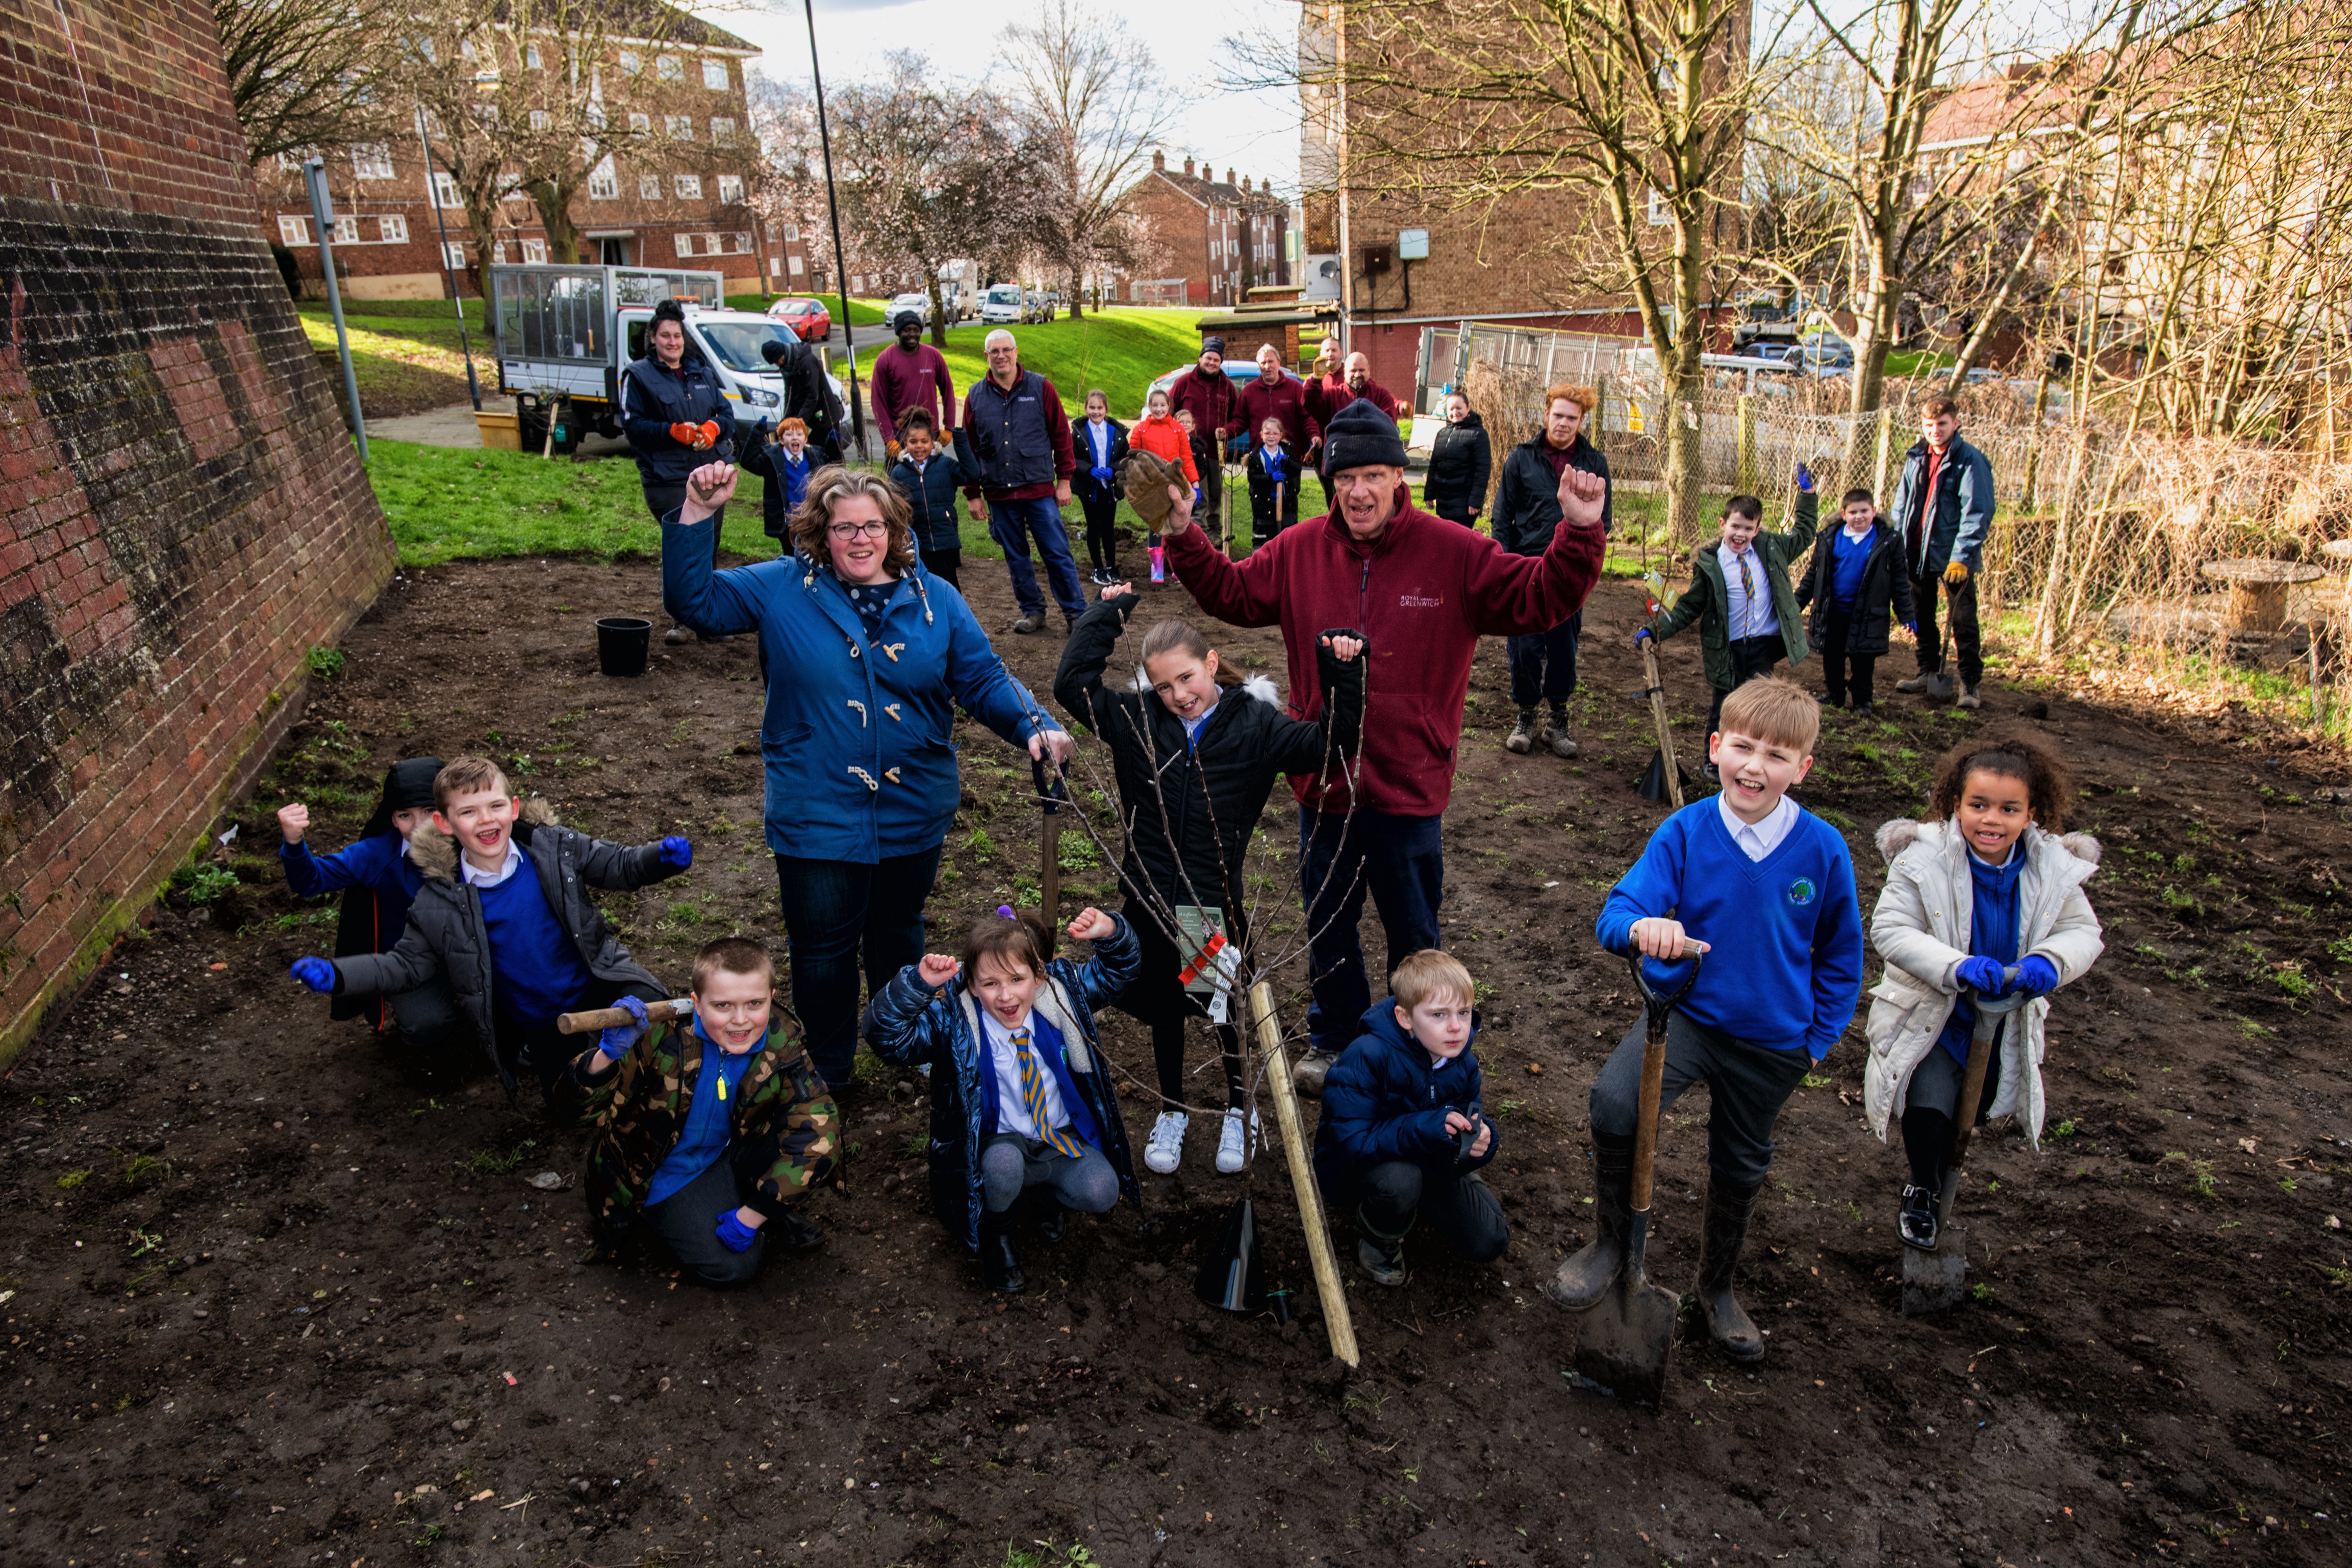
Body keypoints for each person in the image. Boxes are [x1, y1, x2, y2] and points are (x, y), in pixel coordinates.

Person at [1161, 397, 1607, 1089]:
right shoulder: (1299, 550)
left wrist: (1577, 533)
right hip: (1325, 782)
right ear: (1329, 484)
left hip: (1408, 783)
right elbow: (1231, 594)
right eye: (1345, 479)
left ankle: (1418, 1046)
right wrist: (1186, 533)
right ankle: (1335, 1036)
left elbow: (1537, 598)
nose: (1359, 492)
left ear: (1399, 478)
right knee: (1329, 922)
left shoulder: (1452, 552)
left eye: (1373, 475)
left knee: (1412, 929)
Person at [659, 460, 1072, 1096]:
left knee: (898, 929)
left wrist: (1033, 724)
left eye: (872, 526)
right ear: (821, 531)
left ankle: (899, 1044)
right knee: (823, 950)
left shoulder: (935, 598)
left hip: (913, 802)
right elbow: (697, 602)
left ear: (893, 529)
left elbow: (983, 677)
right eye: (844, 526)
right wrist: (696, 512)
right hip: (818, 808)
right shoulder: (782, 587)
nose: (859, 539)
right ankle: (828, 1071)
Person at [1548, 678, 1862, 1362]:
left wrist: (1815, 1041)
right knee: (1613, 1101)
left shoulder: (1821, 848)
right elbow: (1616, 913)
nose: (1755, 767)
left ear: (1801, 769)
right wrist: (1645, 929)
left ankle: (1715, 1288)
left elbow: (1841, 955)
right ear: (1715, 746)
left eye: (1776, 757)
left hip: (1773, 1038)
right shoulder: (1684, 832)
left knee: (1740, 1160)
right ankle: (1610, 1244)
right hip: (1684, 1016)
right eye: (1742, 747)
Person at [1055, 592, 1366, 1176]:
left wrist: (1341, 674)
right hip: (1148, 900)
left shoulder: (1254, 725)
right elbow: (1071, 686)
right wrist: (1107, 617)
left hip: (1206, 906)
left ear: (1213, 661)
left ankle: (1236, 1105)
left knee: (1221, 1007)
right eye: (1163, 685)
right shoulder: (1137, 721)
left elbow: (1331, 744)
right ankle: (1172, 1107)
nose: (1178, 694)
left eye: (1187, 677)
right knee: (1163, 1008)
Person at [287, 757, 691, 1109]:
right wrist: (340, 976)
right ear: (444, 824)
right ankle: (586, 1062)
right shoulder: (439, 901)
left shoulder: (552, 848)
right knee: (570, 1105)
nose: (486, 820)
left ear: (514, 808)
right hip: (543, 1018)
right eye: (469, 813)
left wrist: (659, 859)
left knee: (657, 1026)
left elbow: (618, 865)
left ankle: (671, 1093)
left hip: (598, 982)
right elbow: (405, 965)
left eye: (495, 806)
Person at [1865, 734, 2102, 1251]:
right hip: (1936, 1012)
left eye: (2008, 808)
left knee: (1970, 1111)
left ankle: (1942, 1175)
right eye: (1979, 805)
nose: (1991, 819)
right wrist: (1957, 965)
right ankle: (1923, 1186)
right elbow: (1891, 928)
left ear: (2031, 814)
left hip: (2003, 1016)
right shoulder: (1923, 859)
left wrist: (2049, 961)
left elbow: (2083, 933)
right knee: (1928, 1104)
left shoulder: (2052, 868)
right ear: (1956, 805)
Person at [863, 906, 1143, 1294]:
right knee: (1002, 1165)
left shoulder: (1062, 999)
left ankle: (1046, 1198)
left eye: (1017, 979)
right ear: (972, 986)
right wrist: (919, 984)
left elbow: (1118, 973)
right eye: (990, 983)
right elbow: (886, 1038)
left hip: (1059, 1139)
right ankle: (1000, 1236)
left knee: (1101, 1189)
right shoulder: (955, 1022)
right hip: (1001, 1140)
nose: (1006, 995)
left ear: (1039, 976)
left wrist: (1109, 931)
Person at [559, 937, 838, 1286]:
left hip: (727, 1150)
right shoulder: (657, 1037)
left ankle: (760, 1206)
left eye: (755, 1003)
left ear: (771, 995)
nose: (740, 1021)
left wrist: (755, 1214)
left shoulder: (782, 1039)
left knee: (803, 1141)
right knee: (735, 1267)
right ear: (696, 1003)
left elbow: (820, 1131)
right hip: (661, 1171)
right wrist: (606, 1057)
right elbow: (570, 1112)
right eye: (722, 1006)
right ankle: (655, 1218)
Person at [1313, 950, 1507, 1286]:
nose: (1456, 1027)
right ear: (1405, 1018)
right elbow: (1351, 1143)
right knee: (1400, 1182)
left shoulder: (1463, 1064)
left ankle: (1427, 1198)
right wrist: (1430, 1126)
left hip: (1429, 1161)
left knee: (1489, 1241)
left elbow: (1465, 1121)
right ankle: (1376, 1234)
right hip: (1355, 1171)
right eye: (1438, 1015)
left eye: (1463, 1012)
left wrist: (1478, 1141)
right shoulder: (1367, 1056)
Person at [1638, 475, 1820, 785]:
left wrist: (1808, 495)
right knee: (1723, 703)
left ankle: (1752, 759)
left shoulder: (1772, 549)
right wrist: (1653, 630)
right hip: (1728, 647)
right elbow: (1689, 607)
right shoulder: (1711, 564)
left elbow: (1804, 534)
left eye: (1749, 529)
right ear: (1723, 524)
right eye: (1735, 526)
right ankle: (1714, 761)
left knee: (1758, 704)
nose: (1741, 534)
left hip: (1762, 644)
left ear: (1758, 530)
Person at [275, 756, 452, 1051]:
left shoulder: (470, 841)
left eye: (430, 810)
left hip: (473, 954)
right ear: (393, 818)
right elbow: (311, 881)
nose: (419, 825)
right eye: (405, 815)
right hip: (409, 964)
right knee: (427, 1024)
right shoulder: (376, 855)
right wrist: (294, 843)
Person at [1492, 384, 1611, 758]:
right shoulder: (1521, 458)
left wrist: (1586, 565)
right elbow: (1501, 517)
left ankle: (1557, 720)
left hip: (1569, 573)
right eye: (1557, 415)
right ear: (1545, 414)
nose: (1562, 423)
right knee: (1524, 647)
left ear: (1581, 421)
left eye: (1571, 418)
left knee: (1563, 648)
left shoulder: (1594, 463)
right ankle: (1526, 715)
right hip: (1526, 567)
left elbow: (1601, 521)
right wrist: (1503, 565)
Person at [620, 298, 735, 645]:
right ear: (653, 338)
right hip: (666, 476)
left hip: (709, 471)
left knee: (710, 543)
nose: (673, 342)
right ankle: (683, 619)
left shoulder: (701, 372)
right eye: (666, 336)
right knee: (685, 542)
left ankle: (708, 618)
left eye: (678, 336)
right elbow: (632, 425)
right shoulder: (638, 376)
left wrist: (713, 428)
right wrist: (672, 431)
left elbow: (726, 415)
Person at [956, 329, 1084, 635]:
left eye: (1006, 350)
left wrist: (1064, 479)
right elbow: (968, 449)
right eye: (994, 352)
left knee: (1056, 551)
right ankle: (1033, 611)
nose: (1001, 356)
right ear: (986, 357)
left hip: (1039, 491)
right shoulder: (975, 396)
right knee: (1016, 557)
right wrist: (973, 494)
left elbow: (1062, 437)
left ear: (1016, 353)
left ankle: (1076, 613)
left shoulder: (1041, 388)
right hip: (999, 494)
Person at [1888, 396, 1996, 710]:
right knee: (1919, 615)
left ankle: (1970, 684)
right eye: (1929, 425)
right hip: (1916, 553)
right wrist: (1897, 545)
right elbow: (1901, 504)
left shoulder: (1969, 461)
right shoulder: (1916, 458)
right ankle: (1927, 671)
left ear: (1955, 424)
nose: (1935, 430)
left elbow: (1978, 511)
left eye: (1942, 424)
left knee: (1962, 620)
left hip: (1952, 558)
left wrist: (1962, 556)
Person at [1792, 485, 1915, 716]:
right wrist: (1795, 605)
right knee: (1832, 656)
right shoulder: (1830, 538)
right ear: (1844, 514)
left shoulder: (1888, 541)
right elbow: (1813, 575)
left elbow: (1899, 579)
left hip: (1867, 612)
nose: (1859, 517)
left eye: (1864, 511)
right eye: (1853, 512)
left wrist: (1906, 613)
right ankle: (1835, 695)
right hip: (1833, 610)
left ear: (1874, 511)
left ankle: (1863, 700)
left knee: (1863, 659)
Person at [1304, 349, 1402, 524]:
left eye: (1361, 370)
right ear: (1344, 373)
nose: (1357, 374)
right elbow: (1312, 405)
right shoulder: (1334, 395)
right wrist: (1315, 381)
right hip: (1341, 468)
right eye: (1352, 371)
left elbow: (1387, 429)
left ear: (1369, 371)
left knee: (1377, 515)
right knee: (1340, 514)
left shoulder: (1381, 395)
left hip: (1373, 467)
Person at [1168, 338, 1245, 541]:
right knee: (1195, 493)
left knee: (1215, 493)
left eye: (1216, 360)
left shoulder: (1227, 387)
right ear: (1201, 358)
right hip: (1187, 452)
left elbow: (1238, 418)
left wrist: (1227, 430)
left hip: (1215, 451)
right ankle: (1194, 532)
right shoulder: (1184, 383)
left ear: (1221, 363)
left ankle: (1213, 533)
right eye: (1208, 358)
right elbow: (1168, 413)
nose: (1212, 363)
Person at [887, 409, 973, 588]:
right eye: (913, 442)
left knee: (949, 587)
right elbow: (893, 508)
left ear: (932, 441)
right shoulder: (898, 473)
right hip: (918, 543)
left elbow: (972, 474)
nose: (919, 447)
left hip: (945, 541)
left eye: (924, 441)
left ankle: (954, 616)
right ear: (905, 443)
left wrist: (961, 440)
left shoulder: (945, 464)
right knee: (922, 587)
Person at [1125, 387, 1198, 584]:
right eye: (1154, 405)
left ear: (1169, 406)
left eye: (1162, 405)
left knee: (1179, 526)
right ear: (1149, 407)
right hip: (1153, 486)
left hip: (1176, 484)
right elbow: (1134, 457)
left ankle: (1176, 566)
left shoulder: (1177, 429)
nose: (1159, 409)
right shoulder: (1141, 429)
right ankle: (1157, 566)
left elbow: (1186, 457)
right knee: (1157, 525)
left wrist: (1195, 483)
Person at [869, 310, 956, 462]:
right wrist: (889, 438)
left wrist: (949, 428)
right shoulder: (885, 360)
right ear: (898, 332)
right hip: (900, 437)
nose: (912, 334)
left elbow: (948, 391)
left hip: (930, 434)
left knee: (934, 480)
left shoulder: (933, 356)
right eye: (907, 330)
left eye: (916, 330)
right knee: (898, 484)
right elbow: (878, 403)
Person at [1073, 389, 1130, 584]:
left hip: (1110, 488)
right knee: (1094, 527)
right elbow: (1073, 458)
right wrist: (1089, 470)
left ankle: (1112, 567)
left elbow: (1126, 457)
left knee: (1108, 527)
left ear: (1106, 409)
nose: (1095, 412)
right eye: (1092, 407)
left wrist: (1113, 470)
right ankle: (1098, 568)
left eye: (1099, 408)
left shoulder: (1116, 432)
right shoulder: (1079, 433)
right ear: (1086, 408)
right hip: (1090, 488)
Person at [759, 335, 844, 464]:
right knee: (815, 459)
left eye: (777, 360)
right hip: (810, 420)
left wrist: (798, 422)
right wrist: (786, 420)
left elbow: (812, 396)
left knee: (831, 456)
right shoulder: (788, 367)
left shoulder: (807, 362)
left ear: (782, 354)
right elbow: (790, 395)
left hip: (825, 418)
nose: (777, 364)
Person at [736, 416, 815, 546]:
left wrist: (834, 441)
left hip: (811, 518)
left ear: (805, 439)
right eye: (789, 435)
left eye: (799, 434)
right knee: (792, 555)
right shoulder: (772, 460)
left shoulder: (813, 457)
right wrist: (757, 432)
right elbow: (748, 461)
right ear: (781, 440)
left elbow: (834, 468)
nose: (795, 438)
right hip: (789, 521)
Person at [1238, 342, 1318, 466]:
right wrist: (1226, 432)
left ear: (1279, 363)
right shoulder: (1249, 391)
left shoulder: (1295, 388)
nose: (1267, 366)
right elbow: (1240, 420)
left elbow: (1306, 417)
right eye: (1263, 363)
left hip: (1290, 455)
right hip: (1259, 457)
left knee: (1290, 486)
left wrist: (1314, 434)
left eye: (1271, 362)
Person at [1421, 390, 1492, 528]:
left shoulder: (1479, 435)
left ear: (1468, 408)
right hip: (1443, 501)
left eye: (1459, 408)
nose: (1455, 412)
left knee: (1460, 544)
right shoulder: (1442, 434)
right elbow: (1434, 465)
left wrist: (1476, 502)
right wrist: (1429, 494)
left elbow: (1482, 471)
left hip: (1464, 505)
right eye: (1451, 409)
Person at [1245, 416, 1299, 542]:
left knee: (1287, 537)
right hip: (1265, 505)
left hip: (1285, 504)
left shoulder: (1287, 451)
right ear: (1262, 435)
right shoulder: (1256, 455)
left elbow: (1297, 469)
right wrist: (1271, 478)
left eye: (1275, 433)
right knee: (1269, 538)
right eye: (1268, 433)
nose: (1271, 436)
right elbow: (1252, 478)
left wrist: (1287, 462)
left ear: (1280, 435)